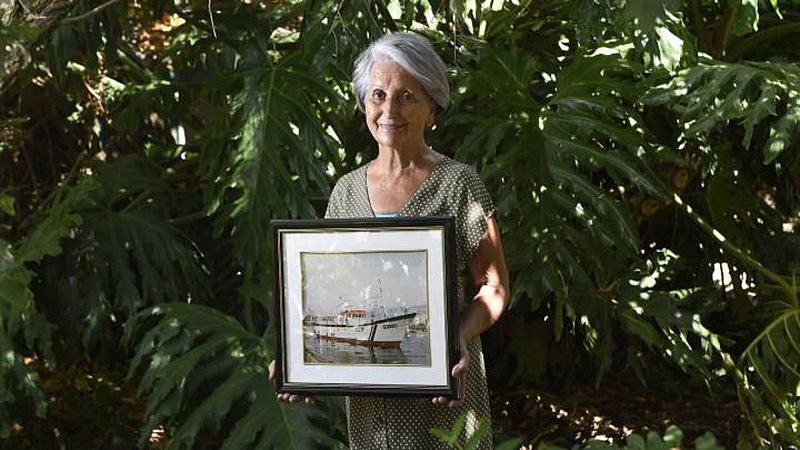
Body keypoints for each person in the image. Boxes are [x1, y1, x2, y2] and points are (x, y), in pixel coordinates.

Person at [272, 32, 509, 449]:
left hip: (445, 387)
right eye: (378, 95)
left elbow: (494, 286)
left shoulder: (459, 183)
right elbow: (325, 292)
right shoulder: (345, 192)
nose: (388, 110)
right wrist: (300, 358)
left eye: (406, 96)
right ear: (365, 104)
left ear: (432, 107)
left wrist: (458, 336)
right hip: (369, 401)